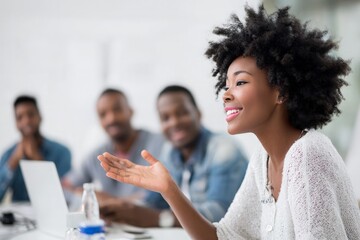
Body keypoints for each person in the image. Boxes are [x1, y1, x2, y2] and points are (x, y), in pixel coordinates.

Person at [97, 5, 360, 239]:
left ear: (281, 91)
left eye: (241, 82)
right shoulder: (262, 160)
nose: (226, 94)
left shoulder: (307, 154)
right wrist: (169, 191)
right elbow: (223, 236)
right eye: (226, 84)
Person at [99, 85, 248, 227]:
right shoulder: (170, 151)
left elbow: (220, 213)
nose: (174, 122)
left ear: (198, 113)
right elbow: (153, 201)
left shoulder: (223, 150)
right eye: (165, 118)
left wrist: (160, 218)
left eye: (182, 113)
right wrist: (124, 209)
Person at [63, 88, 164, 203]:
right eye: (103, 114)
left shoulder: (159, 143)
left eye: (117, 110)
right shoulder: (97, 155)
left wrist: (112, 201)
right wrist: (83, 195)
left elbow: (161, 193)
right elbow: (65, 187)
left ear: (131, 111)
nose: (111, 118)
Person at [0, 95, 71, 202]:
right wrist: (12, 163)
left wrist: (38, 160)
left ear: (40, 116)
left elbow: (65, 195)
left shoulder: (62, 152)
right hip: (18, 217)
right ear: (16, 123)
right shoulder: (8, 154)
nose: (26, 121)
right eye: (20, 117)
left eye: (31, 115)